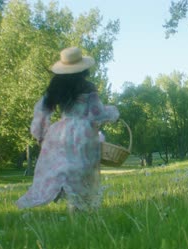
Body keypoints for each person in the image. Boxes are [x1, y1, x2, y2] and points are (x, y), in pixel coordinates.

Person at [16, 47, 119, 211]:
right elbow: (97, 113)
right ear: (84, 68)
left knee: (64, 165)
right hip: (83, 132)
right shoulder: (87, 87)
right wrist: (112, 112)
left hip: (60, 133)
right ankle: (79, 205)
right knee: (83, 170)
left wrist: (41, 134)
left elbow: (42, 110)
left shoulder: (57, 87)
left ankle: (63, 189)